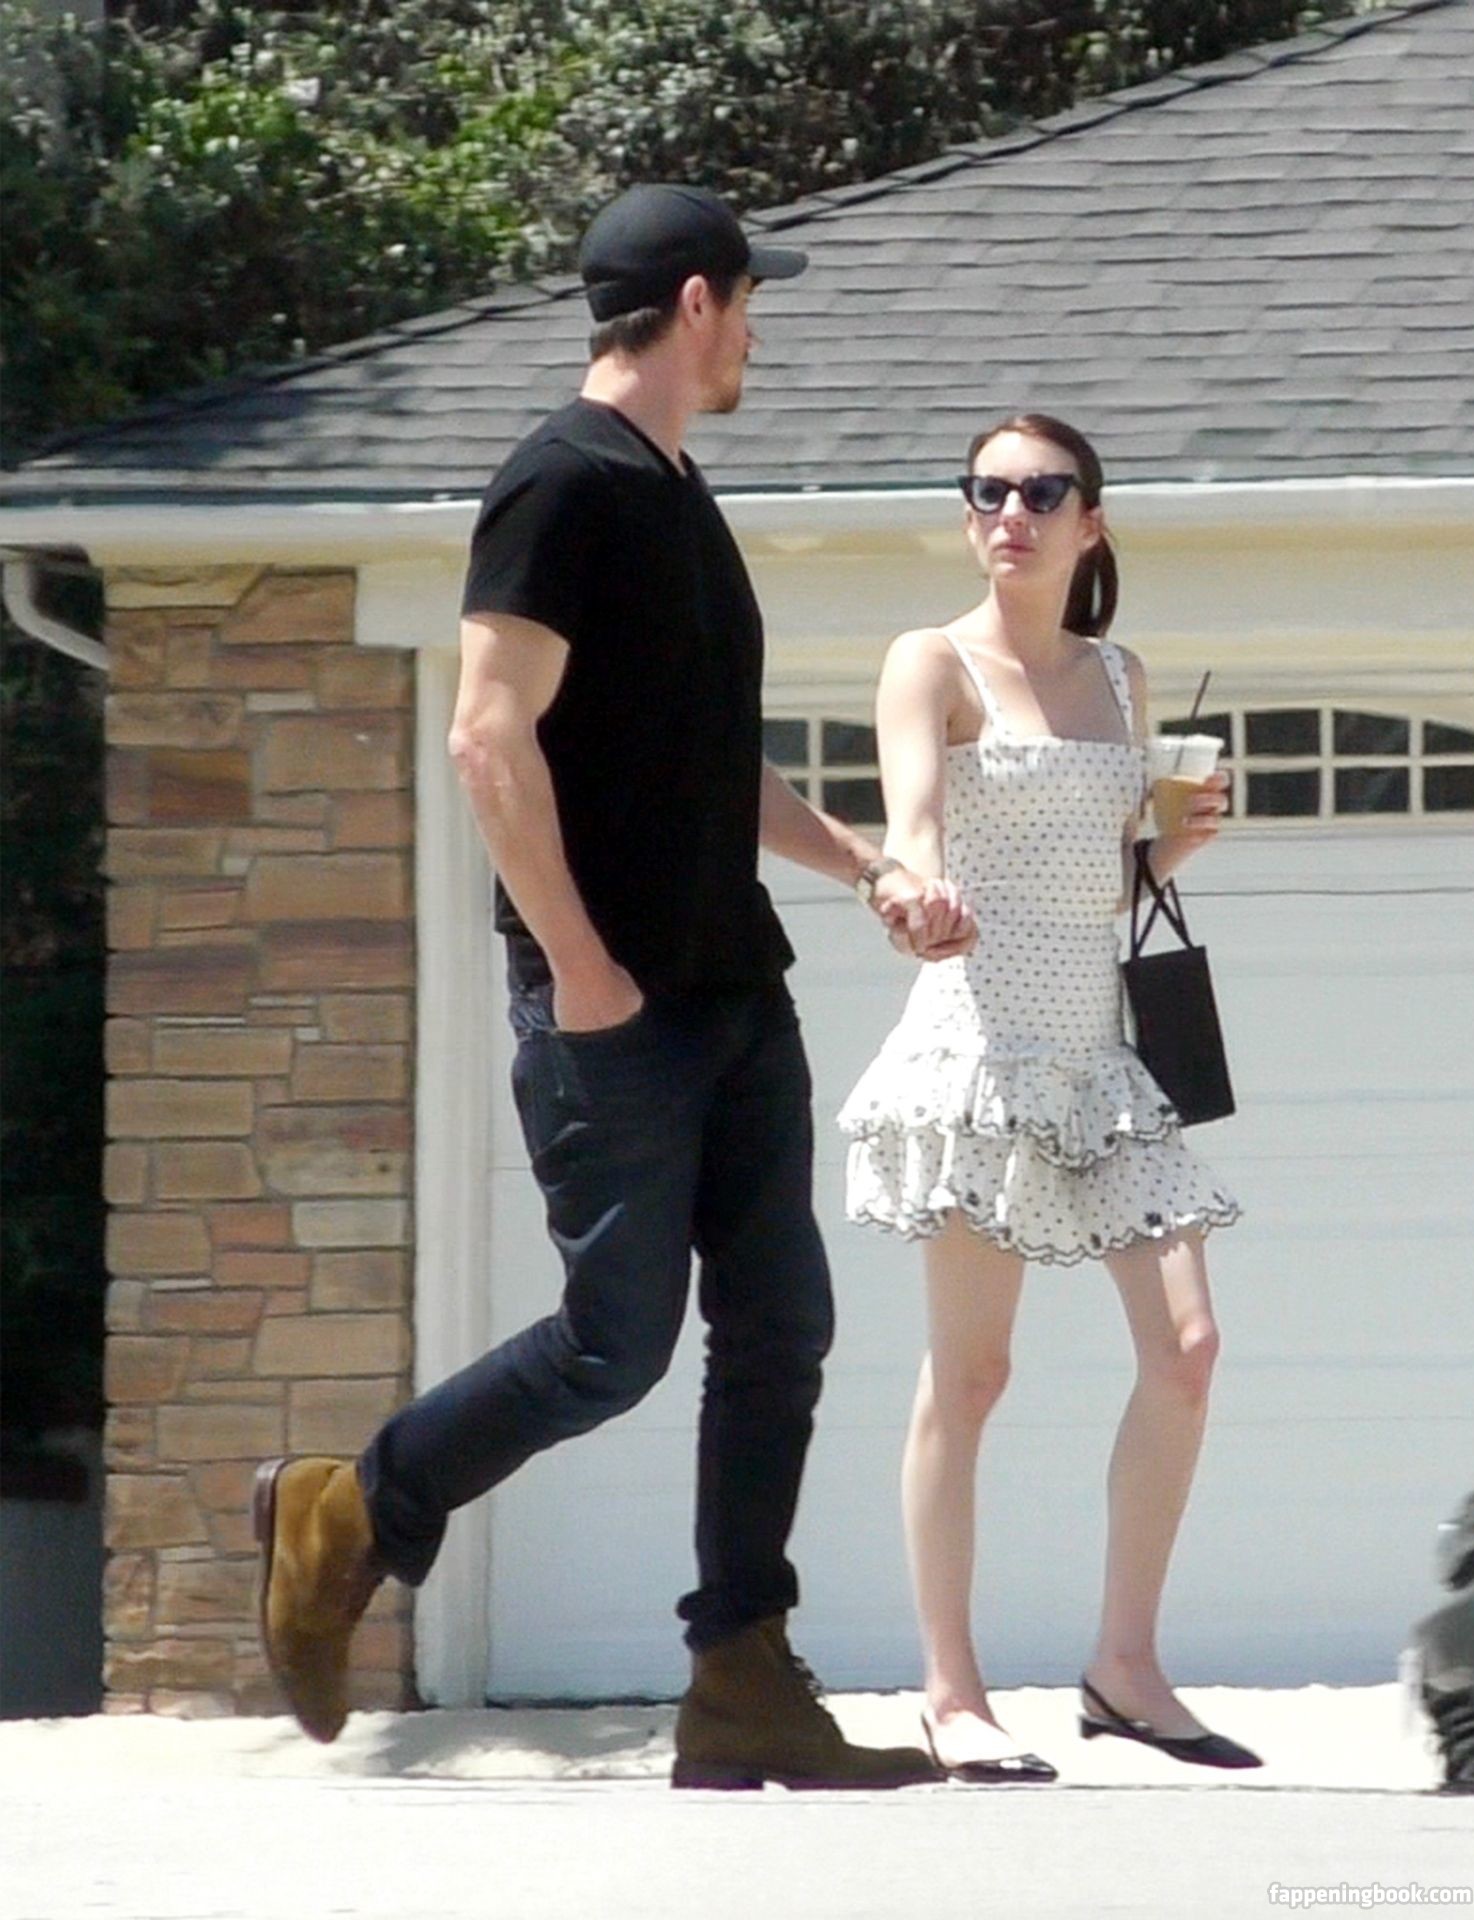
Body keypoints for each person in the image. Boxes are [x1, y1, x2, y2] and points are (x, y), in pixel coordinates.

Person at [252, 184, 974, 1791]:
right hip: (616, 1006)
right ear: (700, 302)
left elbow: (707, 762)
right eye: (751, 301)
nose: (757, 331)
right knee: (615, 1345)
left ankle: (742, 1683)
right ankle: (349, 1505)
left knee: (781, 1328)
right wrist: (580, 967)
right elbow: (486, 735)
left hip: (735, 989)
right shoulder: (562, 482)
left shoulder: (675, 491)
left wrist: (865, 868)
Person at [838, 412, 1258, 1781]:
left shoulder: (1122, 678)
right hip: (978, 1052)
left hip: (1103, 1055)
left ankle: (1124, 1669)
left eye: (1041, 490)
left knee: (1188, 1349)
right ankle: (951, 1690)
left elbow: (1111, 882)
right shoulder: (931, 660)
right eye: (988, 491)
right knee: (972, 1373)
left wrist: (1177, 843)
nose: (1010, 512)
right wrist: (914, 886)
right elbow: (911, 823)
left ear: (1092, 522)